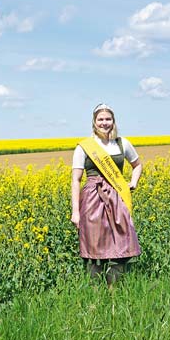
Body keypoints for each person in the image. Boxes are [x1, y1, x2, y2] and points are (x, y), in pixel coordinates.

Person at [71, 103, 142, 285]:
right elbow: (76, 180)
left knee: (121, 241)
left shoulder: (122, 143)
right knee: (94, 245)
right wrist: (75, 212)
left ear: (113, 121)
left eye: (108, 119)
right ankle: (96, 292)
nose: (104, 123)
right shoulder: (84, 147)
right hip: (92, 199)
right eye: (100, 119)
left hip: (117, 198)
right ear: (94, 122)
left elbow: (137, 164)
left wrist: (133, 182)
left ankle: (115, 290)